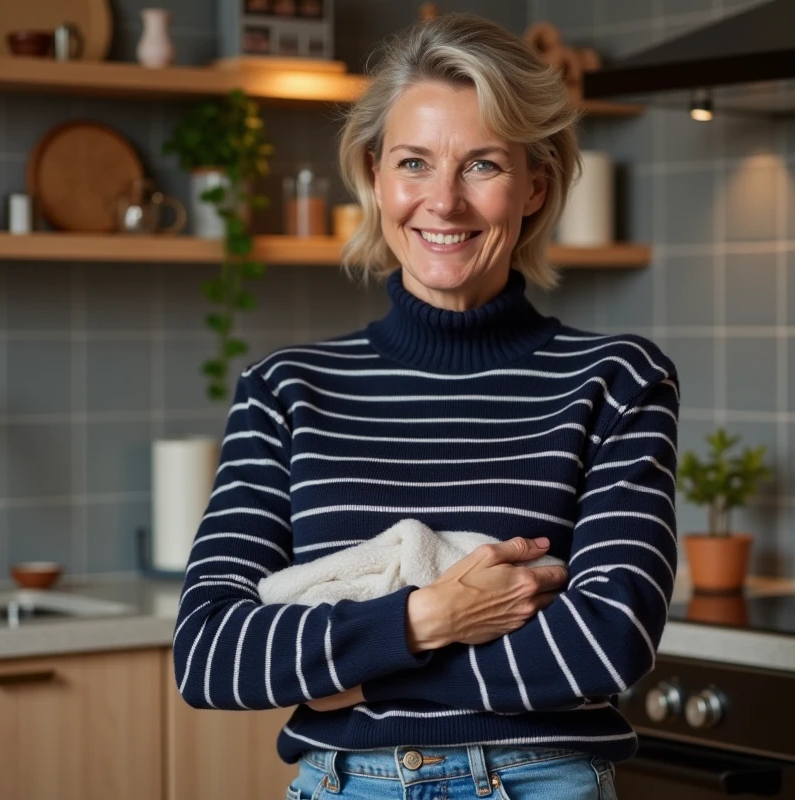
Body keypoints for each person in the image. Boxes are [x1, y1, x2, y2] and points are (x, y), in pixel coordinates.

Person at [172, 12, 679, 799]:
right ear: (375, 176)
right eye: (415, 162)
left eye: (482, 165)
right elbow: (209, 654)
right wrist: (429, 619)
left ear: (534, 186)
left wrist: (354, 677)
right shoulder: (285, 391)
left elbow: (608, 642)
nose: (443, 202)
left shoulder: (616, 381)